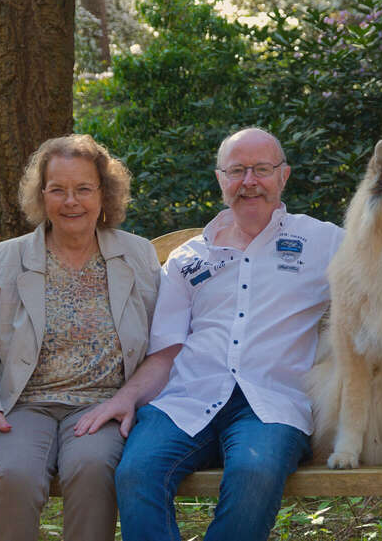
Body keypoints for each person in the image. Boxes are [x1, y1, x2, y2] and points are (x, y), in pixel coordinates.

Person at [74, 127, 345, 541]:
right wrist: (125, 399)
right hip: (188, 398)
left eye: (261, 170)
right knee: (137, 471)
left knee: (254, 471)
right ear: (221, 180)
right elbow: (165, 353)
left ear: (283, 176)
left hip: (271, 404)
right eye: (237, 171)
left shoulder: (321, 241)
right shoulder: (188, 259)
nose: (249, 182)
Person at [0, 135, 160, 541]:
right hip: (21, 406)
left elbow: (162, 344)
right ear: (42, 196)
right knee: (16, 474)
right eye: (57, 189)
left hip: (101, 405)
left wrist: (127, 401)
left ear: (103, 194)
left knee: (93, 471)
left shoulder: (138, 256)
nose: (70, 201)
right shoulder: (1, 261)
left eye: (83, 189)